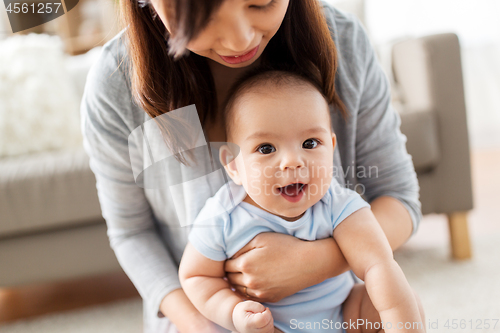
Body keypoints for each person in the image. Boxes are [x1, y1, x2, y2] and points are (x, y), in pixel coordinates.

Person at [80, 0, 422, 332]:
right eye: (203, 15)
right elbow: (133, 234)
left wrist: (315, 263)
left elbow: (397, 196)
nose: (239, 40)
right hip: (205, 318)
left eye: (261, 3)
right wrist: (212, 323)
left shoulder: (342, 40)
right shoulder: (116, 84)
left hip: (336, 307)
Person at [179, 69, 425, 333]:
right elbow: (196, 276)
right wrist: (233, 311)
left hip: (344, 315)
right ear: (233, 165)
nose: (293, 161)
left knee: (402, 302)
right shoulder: (223, 216)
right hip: (273, 326)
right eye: (266, 148)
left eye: (310, 143)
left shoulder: (338, 204)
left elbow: (378, 264)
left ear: (331, 147)